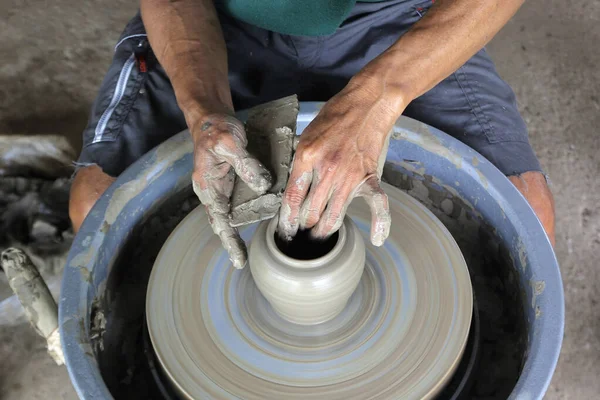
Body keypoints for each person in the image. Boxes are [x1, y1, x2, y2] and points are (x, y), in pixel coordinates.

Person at [69, 0, 555, 269]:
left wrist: (378, 98)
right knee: (99, 208)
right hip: (219, 18)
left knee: (524, 217)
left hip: (395, 13)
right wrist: (204, 111)